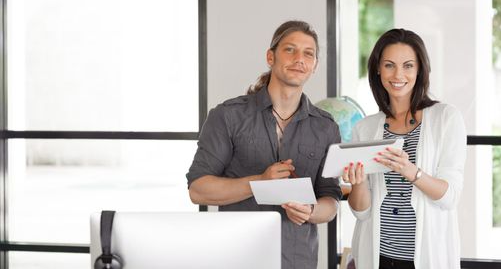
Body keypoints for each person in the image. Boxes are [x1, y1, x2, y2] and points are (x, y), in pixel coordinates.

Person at [186, 20, 342, 269]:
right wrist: (259, 182)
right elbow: (198, 190)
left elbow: (331, 200)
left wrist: (310, 211)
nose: (299, 58)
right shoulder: (227, 116)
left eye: (308, 53)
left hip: (298, 260)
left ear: (315, 66)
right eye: (289, 49)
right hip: (237, 257)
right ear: (271, 57)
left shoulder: (326, 127)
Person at [343, 29, 466, 269]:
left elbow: (450, 197)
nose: (398, 74)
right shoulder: (365, 128)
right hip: (377, 257)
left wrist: (411, 171)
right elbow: (361, 213)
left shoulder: (446, 118)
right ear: (378, 69)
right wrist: (358, 182)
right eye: (389, 65)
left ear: (420, 69)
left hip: (425, 259)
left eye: (408, 65)